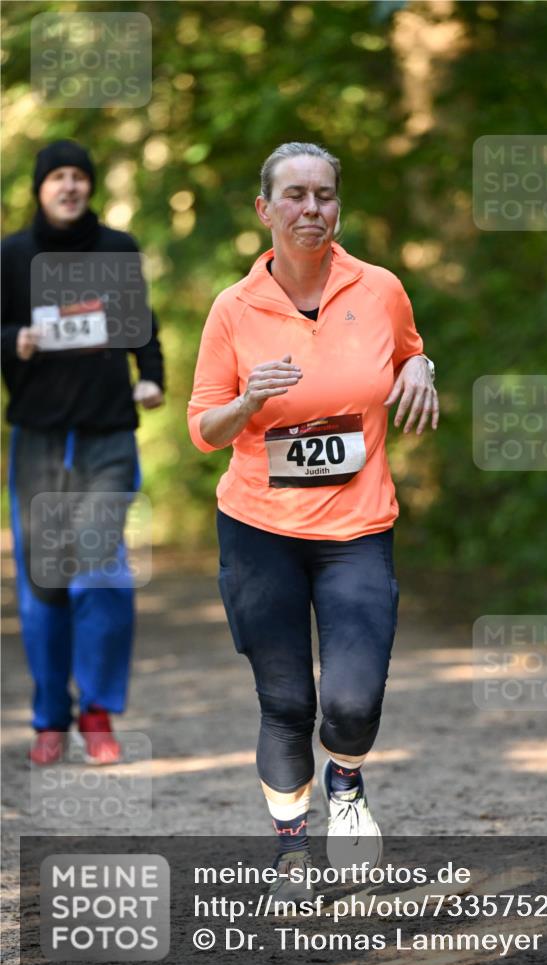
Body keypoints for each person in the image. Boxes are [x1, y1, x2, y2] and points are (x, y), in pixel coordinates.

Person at [188, 141, 437, 899]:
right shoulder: (234, 308)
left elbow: (408, 350)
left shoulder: (380, 287)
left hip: (357, 528)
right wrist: (246, 403)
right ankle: (291, 843)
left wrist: (423, 367)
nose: (311, 210)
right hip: (260, 526)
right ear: (265, 210)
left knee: (353, 703)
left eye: (324, 195)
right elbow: (204, 426)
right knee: (287, 701)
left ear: (338, 206)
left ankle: (349, 783)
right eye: (293, 195)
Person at [2, 139, 165, 766]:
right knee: (44, 582)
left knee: (102, 572)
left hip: (106, 435)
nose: (69, 186)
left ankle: (96, 709)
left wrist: (150, 374)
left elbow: (140, 322)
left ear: (89, 186)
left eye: (78, 176)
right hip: (39, 438)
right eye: (57, 177)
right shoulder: (13, 256)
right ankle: (50, 716)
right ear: (40, 188)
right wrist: (15, 337)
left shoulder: (116, 249)